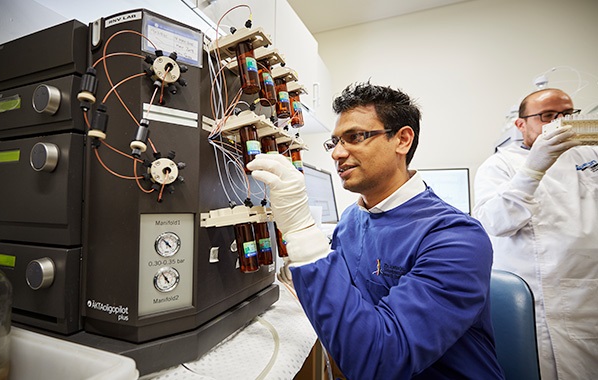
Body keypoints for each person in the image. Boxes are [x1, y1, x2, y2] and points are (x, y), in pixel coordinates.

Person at [247, 82, 504, 379]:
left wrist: (302, 231)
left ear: (402, 140)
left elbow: (382, 361)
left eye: (354, 137)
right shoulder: (351, 220)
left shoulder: (455, 237)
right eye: (335, 142)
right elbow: (346, 300)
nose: (337, 154)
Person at [473, 88, 598, 380]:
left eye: (568, 114)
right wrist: (533, 170)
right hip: (542, 300)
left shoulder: (591, 156)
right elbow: (493, 222)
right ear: (521, 125)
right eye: (548, 116)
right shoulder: (500, 165)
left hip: (590, 293)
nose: (560, 123)